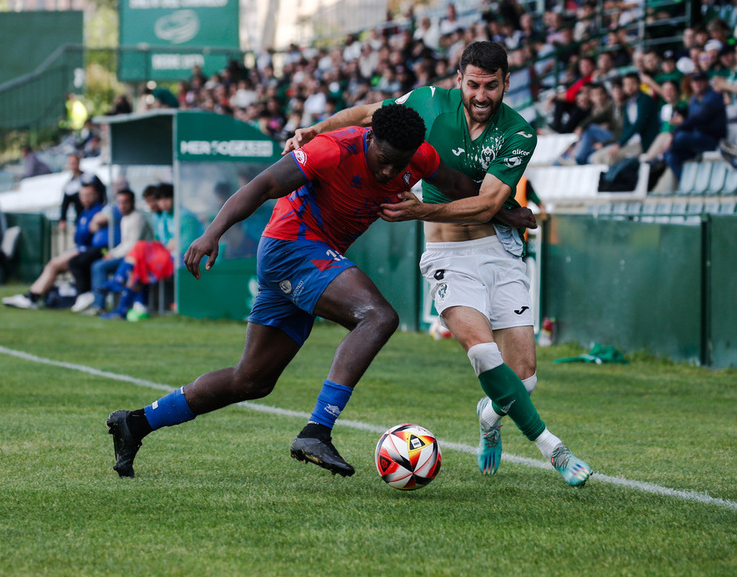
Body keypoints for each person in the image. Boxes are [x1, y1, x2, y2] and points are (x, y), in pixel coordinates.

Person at [104, 104, 482, 479]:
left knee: (251, 380)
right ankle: (317, 431)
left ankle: (135, 424)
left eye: (398, 165)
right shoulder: (333, 149)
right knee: (378, 316)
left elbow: (461, 187)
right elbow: (262, 185)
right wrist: (212, 232)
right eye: (382, 159)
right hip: (292, 246)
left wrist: (505, 208)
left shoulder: (421, 157)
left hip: (313, 256)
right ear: (371, 138)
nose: (388, 172)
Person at [286, 40, 592, 488]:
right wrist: (315, 131)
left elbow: (488, 202)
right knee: (483, 352)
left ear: (507, 83)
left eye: (492, 86)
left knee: (523, 379)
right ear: (459, 81)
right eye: (473, 85)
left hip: (501, 254)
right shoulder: (427, 102)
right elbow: (365, 113)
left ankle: (489, 414)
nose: (481, 95)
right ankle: (555, 449)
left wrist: (421, 210)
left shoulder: (520, 133)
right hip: (449, 256)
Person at [2, 183, 102, 309]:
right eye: (83, 195)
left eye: (89, 195)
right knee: (52, 264)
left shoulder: (99, 211)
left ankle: (33, 297)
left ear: (96, 195)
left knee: (55, 264)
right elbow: (79, 236)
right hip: (80, 248)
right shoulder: (85, 212)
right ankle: (34, 296)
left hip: (90, 250)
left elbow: (87, 236)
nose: (85, 199)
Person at [71, 187, 151, 313]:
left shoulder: (137, 218)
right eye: (119, 202)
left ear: (132, 203)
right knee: (97, 265)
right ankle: (101, 300)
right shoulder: (125, 218)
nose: (122, 206)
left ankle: (101, 301)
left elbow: (132, 245)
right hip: (129, 256)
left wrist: (112, 254)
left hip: (139, 259)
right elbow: (126, 244)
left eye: (126, 202)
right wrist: (112, 253)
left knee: (99, 266)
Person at [661, 71, 727, 180]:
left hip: (712, 139)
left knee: (679, 137)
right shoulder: (694, 100)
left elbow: (698, 119)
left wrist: (673, 134)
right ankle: (686, 183)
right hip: (696, 138)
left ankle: (663, 151)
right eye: (694, 81)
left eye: (700, 81)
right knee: (670, 156)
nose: (697, 84)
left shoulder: (713, 97)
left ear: (706, 82)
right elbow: (691, 121)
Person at [58, 152, 106, 233]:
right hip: (81, 217)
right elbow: (65, 204)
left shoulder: (90, 177)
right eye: (71, 163)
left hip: (95, 214)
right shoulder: (69, 185)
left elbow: (102, 191)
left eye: (75, 162)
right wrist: (63, 219)